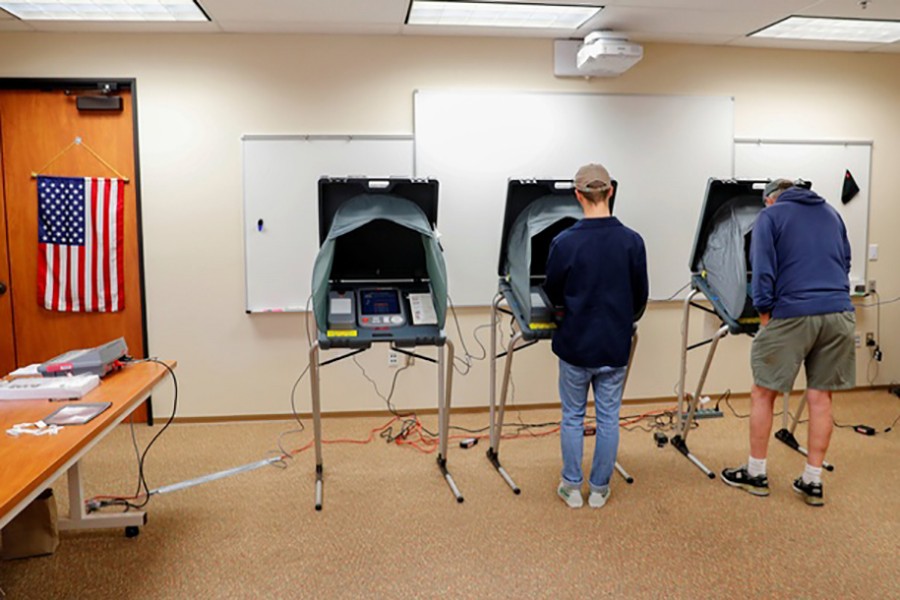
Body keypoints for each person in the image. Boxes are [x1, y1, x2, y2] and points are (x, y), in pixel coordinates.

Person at [721, 179, 855, 506]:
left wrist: (765, 310)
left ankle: (756, 473)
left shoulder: (771, 216)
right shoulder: (832, 213)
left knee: (763, 392)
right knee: (820, 397)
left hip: (793, 312)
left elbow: (763, 267)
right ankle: (812, 481)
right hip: (839, 312)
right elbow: (846, 262)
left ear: (769, 200)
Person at [543, 163, 648, 509]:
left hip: (575, 346)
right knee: (608, 418)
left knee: (572, 416)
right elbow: (640, 298)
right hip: (614, 346)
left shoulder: (564, 243)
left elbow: (552, 293)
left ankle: (572, 488)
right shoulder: (633, 242)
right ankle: (600, 489)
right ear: (611, 192)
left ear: (578, 196)